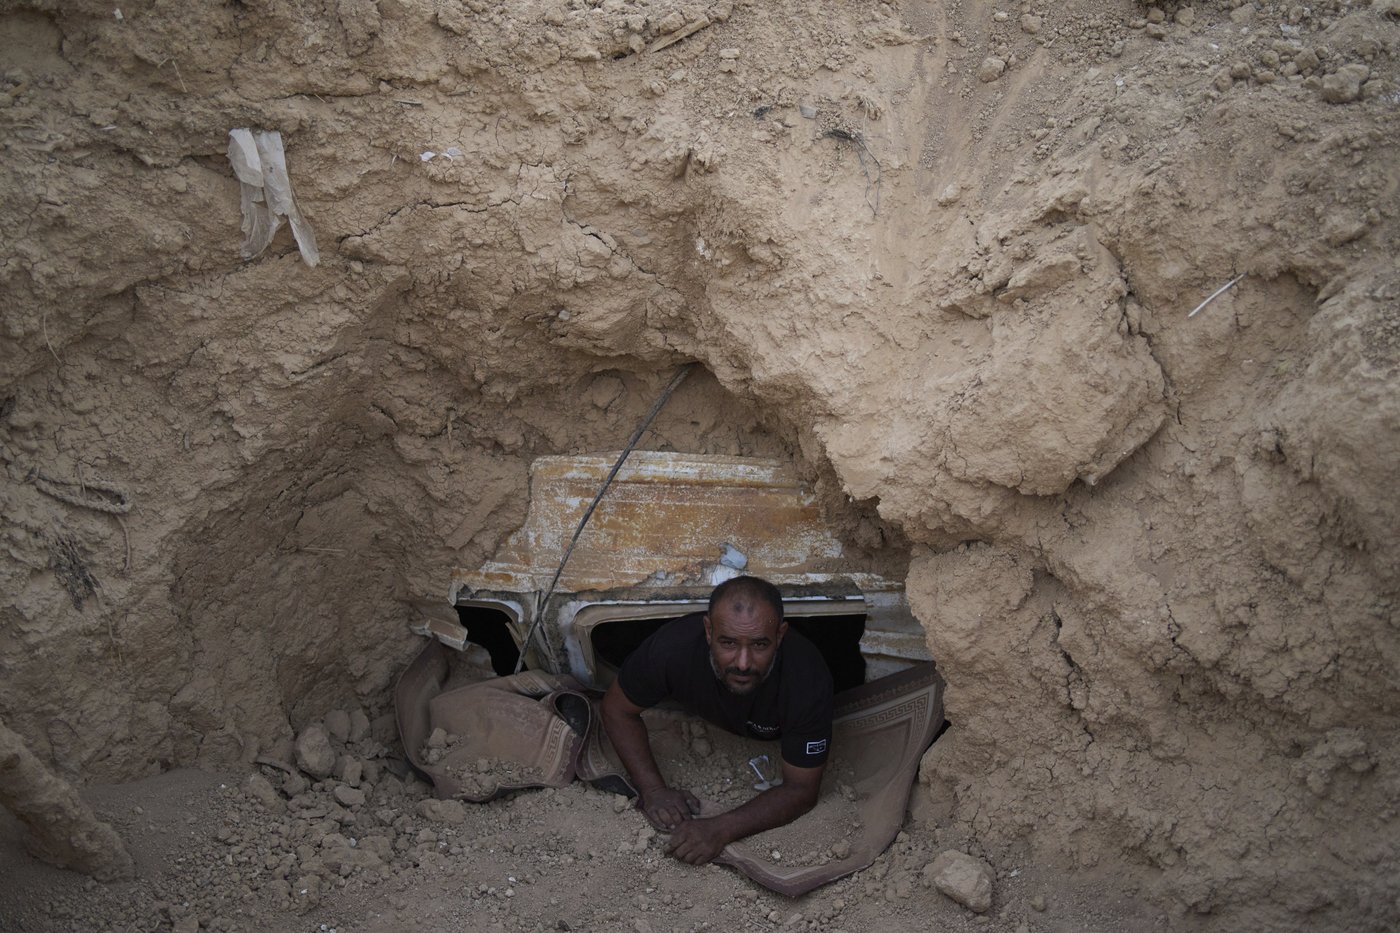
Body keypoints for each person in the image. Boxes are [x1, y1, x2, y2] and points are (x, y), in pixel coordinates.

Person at [600, 575, 834, 865]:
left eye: (760, 645)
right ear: (709, 631)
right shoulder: (672, 649)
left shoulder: (807, 680)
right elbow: (616, 709)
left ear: (780, 635)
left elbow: (802, 789)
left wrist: (720, 829)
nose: (743, 663)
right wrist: (653, 790)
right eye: (729, 643)